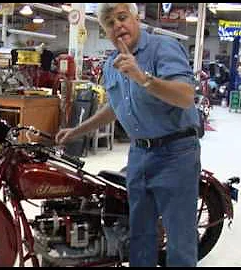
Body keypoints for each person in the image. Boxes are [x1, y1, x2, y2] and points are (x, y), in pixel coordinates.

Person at [55, 3, 201, 267]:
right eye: (110, 23)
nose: (117, 26)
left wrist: (142, 76)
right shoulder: (112, 64)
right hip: (139, 155)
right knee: (140, 235)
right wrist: (77, 131)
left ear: (136, 17)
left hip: (175, 154)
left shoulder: (162, 48)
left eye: (122, 17)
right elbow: (116, 107)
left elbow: (185, 96)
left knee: (180, 239)